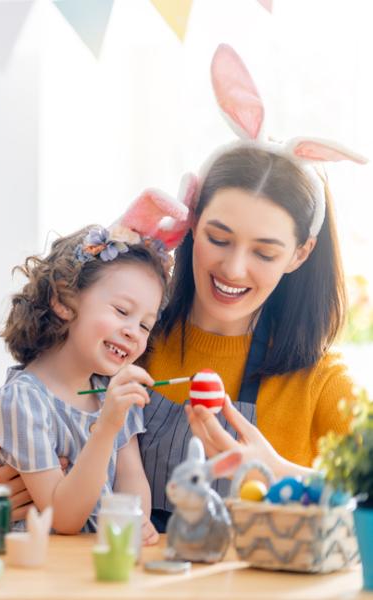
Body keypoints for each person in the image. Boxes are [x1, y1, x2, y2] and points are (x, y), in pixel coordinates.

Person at [139, 44, 367, 529]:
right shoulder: (130, 344)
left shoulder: (321, 381)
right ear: (193, 222)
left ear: (300, 254)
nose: (235, 269)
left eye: (265, 252)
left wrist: (280, 473)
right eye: (219, 238)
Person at [0, 190, 191, 541]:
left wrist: (137, 520)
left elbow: (131, 482)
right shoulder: (21, 401)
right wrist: (106, 427)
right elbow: (63, 518)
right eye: (122, 311)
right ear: (63, 299)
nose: (133, 332)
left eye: (145, 325)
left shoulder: (114, 392)